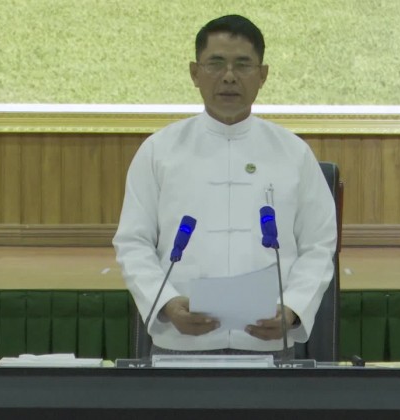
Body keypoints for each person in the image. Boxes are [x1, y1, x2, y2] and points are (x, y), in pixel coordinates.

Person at [113, 14, 337, 358]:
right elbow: (133, 242)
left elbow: (319, 245)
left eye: (243, 65)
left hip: (267, 344)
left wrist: (292, 308)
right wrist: (168, 303)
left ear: (263, 75)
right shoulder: (159, 150)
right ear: (194, 73)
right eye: (215, 64)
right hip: (180, 342)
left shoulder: (293, 153)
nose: (229, 76)